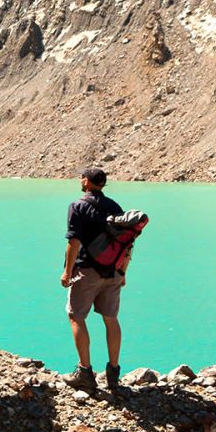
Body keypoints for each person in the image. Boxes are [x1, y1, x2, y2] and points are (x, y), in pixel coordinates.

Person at [61, 166, 126, 391]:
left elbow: (74, 243)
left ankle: (85, 372)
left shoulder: (78, 206)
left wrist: (67, 272)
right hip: (114, 272)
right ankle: (113, 373)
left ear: (87, 182)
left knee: (76, 316)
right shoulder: (115, 207)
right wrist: (123, 271)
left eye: (82, 178)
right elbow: (126, 243)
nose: (80, 181)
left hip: (87, 271)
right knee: (111, 318)